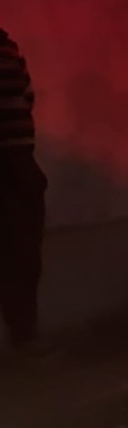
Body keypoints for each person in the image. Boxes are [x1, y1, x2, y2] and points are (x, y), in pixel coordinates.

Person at [0, 27, 49, 358]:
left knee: (22, 253)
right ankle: (24, 336)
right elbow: (25, 98)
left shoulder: (9, 49)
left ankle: (24, 335)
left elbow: (25, 97)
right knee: (22, 253)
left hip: (17, 160)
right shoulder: (9, 49)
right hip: (14, 160)